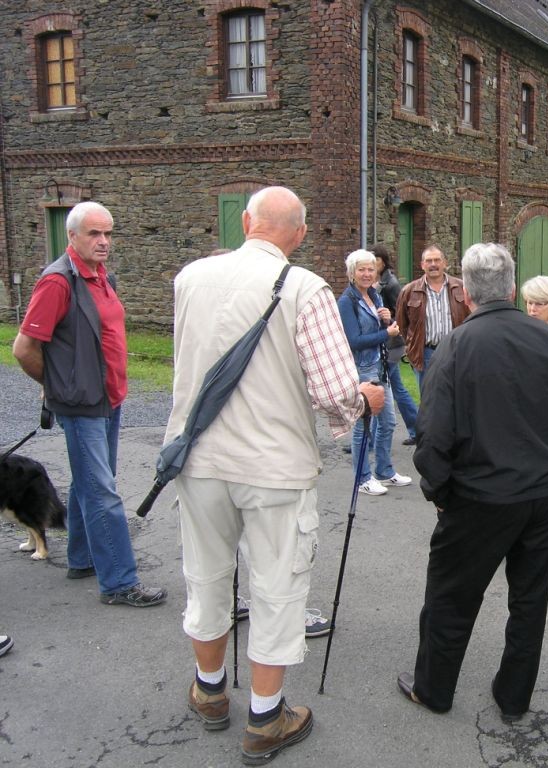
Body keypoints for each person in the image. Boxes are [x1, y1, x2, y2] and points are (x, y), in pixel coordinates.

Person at [166, 186, 385, 763]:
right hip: (273, 467)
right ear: (301, 234)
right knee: (276, 586)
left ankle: (210, 690)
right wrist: (365, 399)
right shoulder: (305, 288)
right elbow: (334, 391)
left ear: (246, 223)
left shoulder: (190, 278)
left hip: (197, 457)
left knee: (206, 576)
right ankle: (265, 717)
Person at [397, 242, 548, 719]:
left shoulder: (458, 345)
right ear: (511, 290)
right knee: (529, 599)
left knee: (451, 596)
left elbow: (432, 435)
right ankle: (513, 696)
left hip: (482, 496)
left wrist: (439, 492)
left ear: (467, 294)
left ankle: (435, 688)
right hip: (539, 493)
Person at [12, 201, 167, 608]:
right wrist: (55, 385)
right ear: (72, 236)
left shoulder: (100, 277)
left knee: (89, 483)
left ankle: (81, 559)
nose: (103, 241)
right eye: (94, 233)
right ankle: (119, 582)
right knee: (102, 492)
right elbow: (24, 348)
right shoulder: (57, 282)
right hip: (81, 406)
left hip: (108, 400)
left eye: (108, 233)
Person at [338, 249, 413, 496]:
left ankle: (384, 470)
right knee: (363, 425)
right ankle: (362, 479)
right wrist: (386, 333)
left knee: (388, 421)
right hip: (363, 369)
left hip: (381, 365)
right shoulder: (347, 301)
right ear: (352, 272)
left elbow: (383, 329)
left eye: (371, 269)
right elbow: (354, 340)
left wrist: (387, 320)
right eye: (362, 269)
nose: (367, 274)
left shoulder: (374, 295)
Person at [395, 245, 470, 389]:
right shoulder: (409, 291)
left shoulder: (461, 288)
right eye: (429, 261)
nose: (433, 264)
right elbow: (402, 324)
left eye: (437, 260)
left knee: (457, 393)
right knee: (429, 397)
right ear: (422, 265)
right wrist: (412, 347)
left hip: (456, 351)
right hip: (426, 353)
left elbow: (470, 317)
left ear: (445, 263)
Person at [372, 243, 418, 446]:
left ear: (383, 262)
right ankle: (417, 430)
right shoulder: (375, 282)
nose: (373, 264)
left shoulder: (390, 284)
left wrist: (391, 324)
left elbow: (402, 313)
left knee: (379, 387)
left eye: (376, 260)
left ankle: (370, 437)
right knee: (394, 388)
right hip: (383, 343)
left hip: (392, 344)